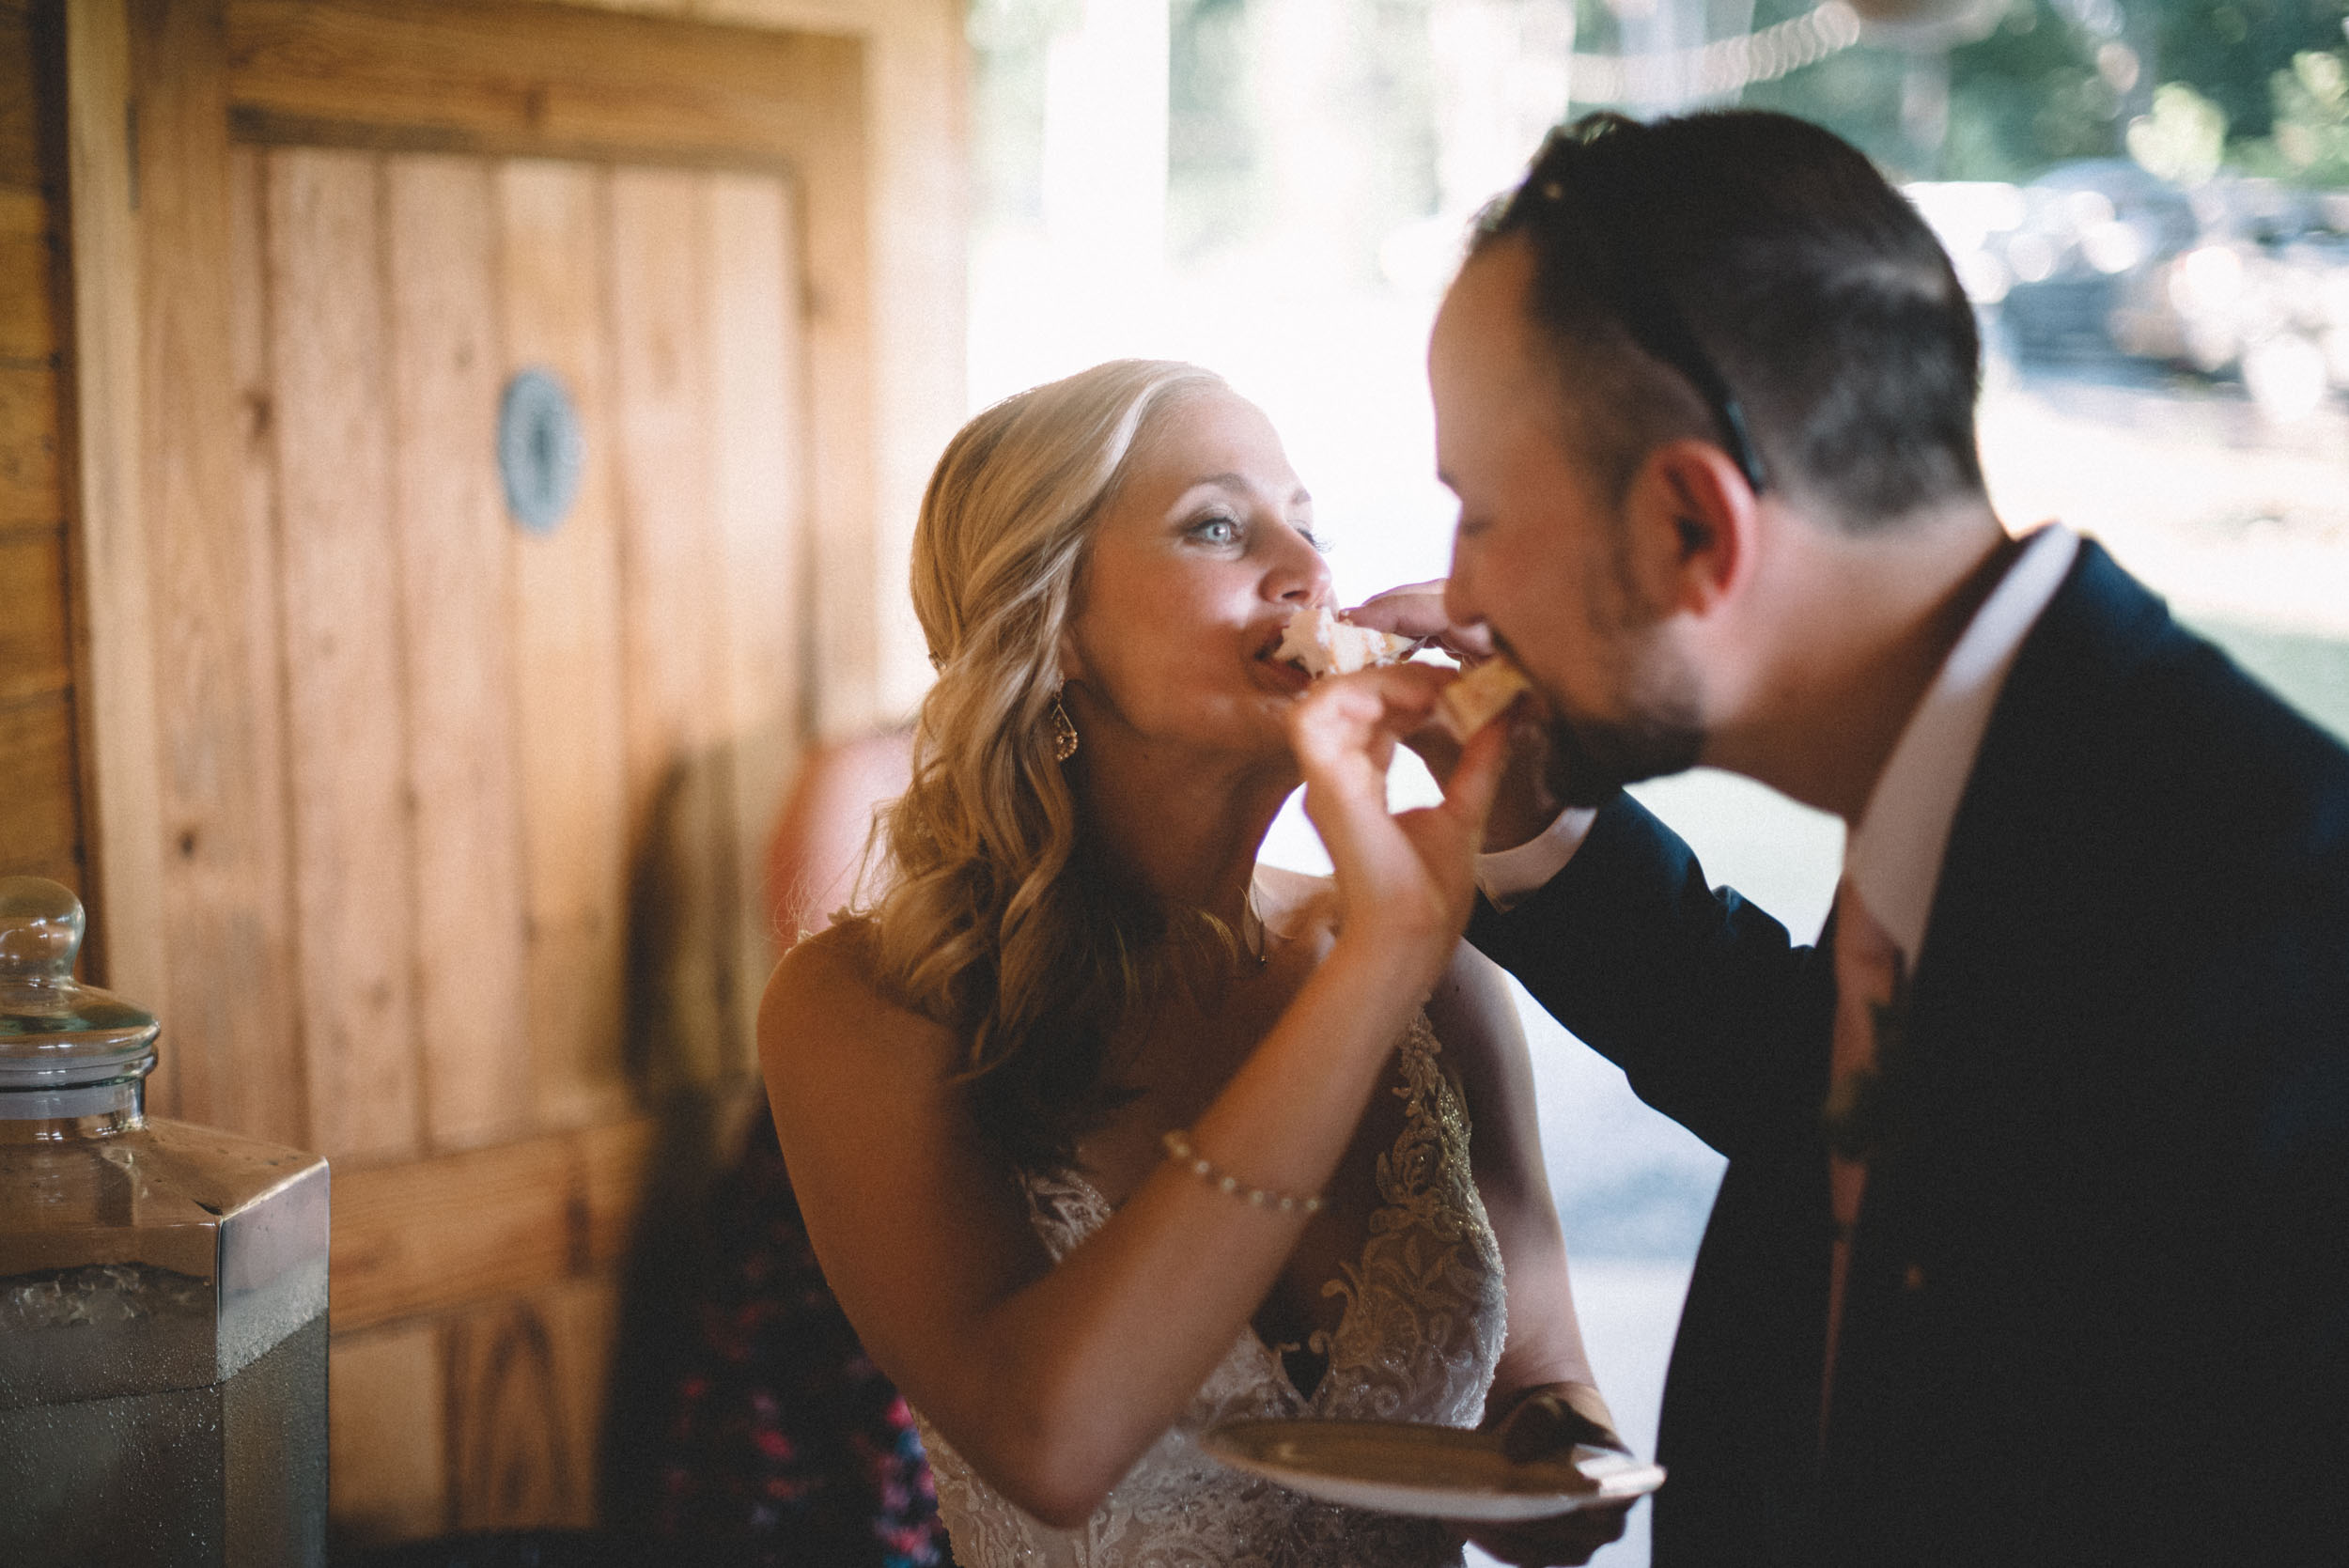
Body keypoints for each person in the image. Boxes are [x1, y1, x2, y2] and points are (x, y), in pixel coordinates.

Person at [1346, 111, 2349, 1566]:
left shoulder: (2272, 941)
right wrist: (1533, 830)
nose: (1457, 593)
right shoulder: (2033, 784)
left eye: (1482, 518)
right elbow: (1824, 1087)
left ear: (1695, 524)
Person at [759, 359, 1635, 1568]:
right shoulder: (868, 1004)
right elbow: (1050, 1445)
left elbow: (1544, 1392)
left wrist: (1569, 1460)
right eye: (1218, 526)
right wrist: (1375, 961)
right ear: (1052, 626)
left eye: (1307, 524)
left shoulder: (1435, 967)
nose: (1310, 573)